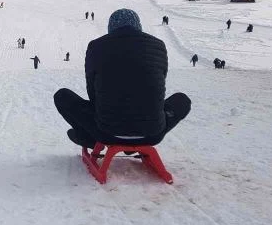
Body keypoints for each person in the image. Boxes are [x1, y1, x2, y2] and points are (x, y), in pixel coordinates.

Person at [54, 9, 191, 149]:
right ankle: (134, 144)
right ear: (138, 25)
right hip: (152, 134)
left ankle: (88, 139)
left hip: (106, 132)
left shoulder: (96, 46)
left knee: (62, 96)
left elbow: (92, 91)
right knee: (182, 100)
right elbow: (158, 85)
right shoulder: (158, 45)